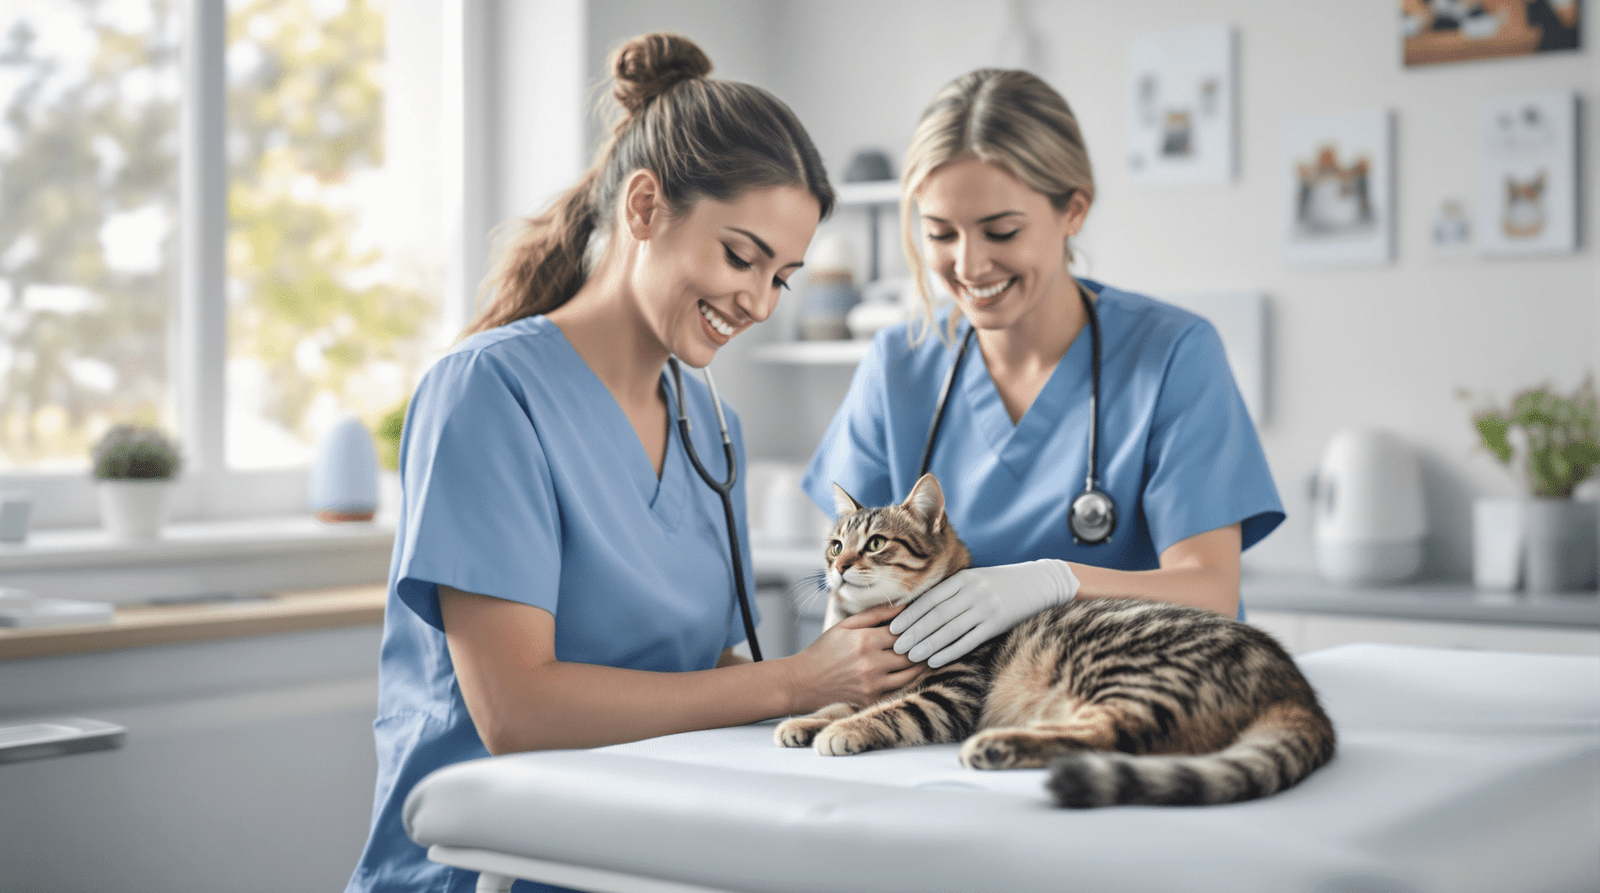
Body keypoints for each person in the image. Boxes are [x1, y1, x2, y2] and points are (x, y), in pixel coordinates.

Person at [346, 33, 922, 893]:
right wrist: (793, 679)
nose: (759, 303)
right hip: (487, 870)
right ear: (645, 206)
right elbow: (517, 711)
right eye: (740, 256)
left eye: (784, 278)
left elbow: (689, 667)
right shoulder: (487, 395)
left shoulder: (710, 425)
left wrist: (862, 676)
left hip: (643, 859)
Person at [802, 68, 1284, 670]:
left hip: (1125, 694)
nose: (970, 265)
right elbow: (845, 593)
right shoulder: (897, 364)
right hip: (943, 712)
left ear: (1074, 209)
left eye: (1001, 231)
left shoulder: (1174, 354)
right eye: (940, 233)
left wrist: (1055, 582)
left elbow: (1211, 591)